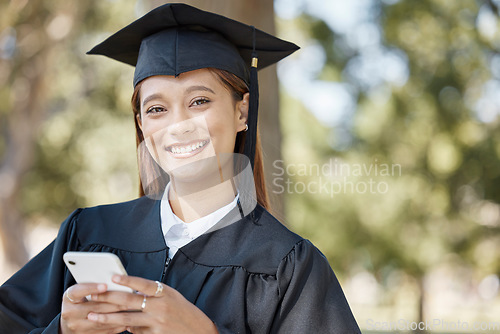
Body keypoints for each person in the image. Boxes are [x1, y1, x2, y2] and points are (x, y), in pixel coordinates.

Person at [0, 3, 361, 333]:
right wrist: (60, 331)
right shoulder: (90, 233)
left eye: (199, 101)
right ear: (141, 124)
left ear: (241, 112)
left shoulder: (288, 267)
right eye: (157, 109)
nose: (179, 125)